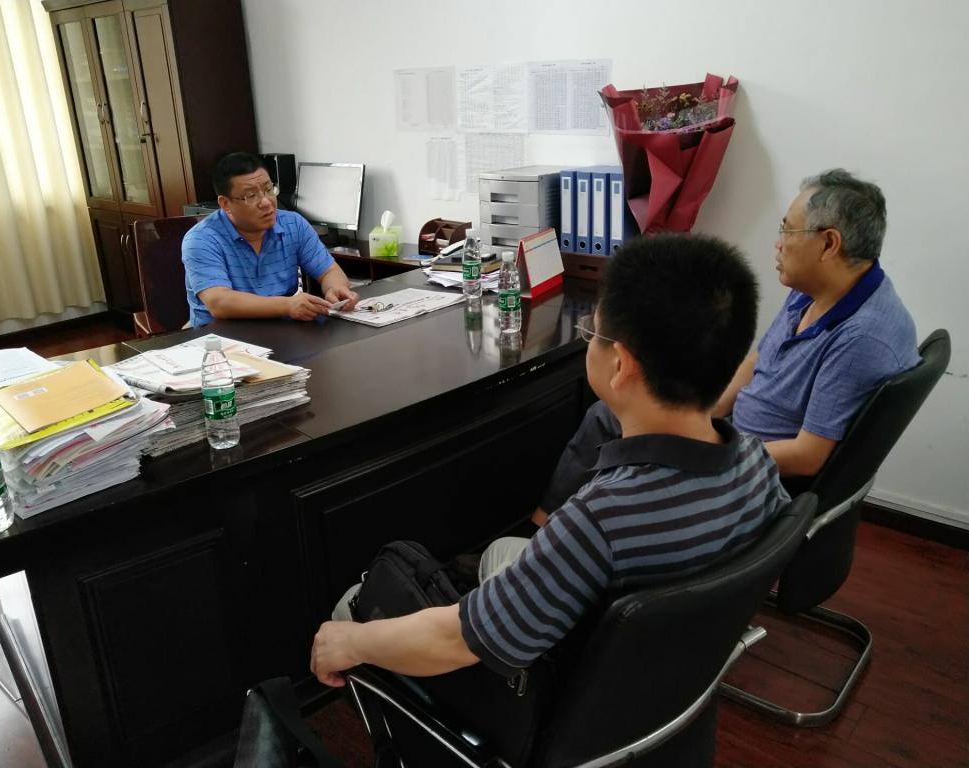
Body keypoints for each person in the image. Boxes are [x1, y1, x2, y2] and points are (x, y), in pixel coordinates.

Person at [310, 234, 790, 686]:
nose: (588, 340)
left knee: (351, 609)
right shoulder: (757, 463)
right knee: (502, 553)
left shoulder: (600, 521)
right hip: (670, 675)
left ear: (621, 365)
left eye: (592, 332)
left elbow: (454, 641)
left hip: (560, 695)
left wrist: (349, 641)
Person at [532, 169, 919, 526]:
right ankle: (551, 524)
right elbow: (761, 357)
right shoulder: (819, 290)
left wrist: (712, 449)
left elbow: (808, 456)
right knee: (613, 412)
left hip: (751, 471)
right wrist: (711, 405)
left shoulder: (862, 337)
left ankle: (561, 534)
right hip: (736, 433)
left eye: (788, 230)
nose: (778, 243)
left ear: (828, 243)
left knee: (614, 416)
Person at [181, 152, 358, 327]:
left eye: (268, 189)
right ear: (225, 204)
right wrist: (287, 306)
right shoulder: (201, 239)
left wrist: (335, 288)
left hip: (279, 329)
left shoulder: (293, 224)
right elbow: (220, 302)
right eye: (251, 196)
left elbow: (328, 271)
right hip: (221, 337)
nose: (266, 202)